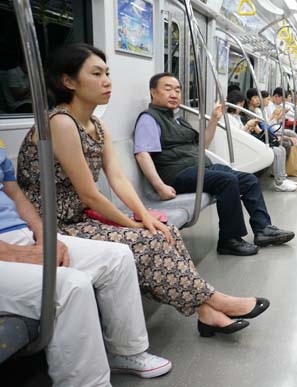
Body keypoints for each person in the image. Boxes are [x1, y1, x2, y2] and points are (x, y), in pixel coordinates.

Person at [17, 43, 269, 339]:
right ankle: (213, 301)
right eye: (96, 74)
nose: (107, 81)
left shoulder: (96, 125)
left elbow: (118, 179)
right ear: (68, 81)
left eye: (107, 73)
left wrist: (145, 216)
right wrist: (134, 223)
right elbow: (89, 193)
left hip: (79, 218)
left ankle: (207, 312)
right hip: (51, 225)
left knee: (165, 231)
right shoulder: (59, 123)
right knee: (148, 239)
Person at [0, 137, 171, 386]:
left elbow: (12, 192)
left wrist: (44, 236)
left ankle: (126, 352)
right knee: (71, 285)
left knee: (118, 257)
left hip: (19, 234)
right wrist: (15, 254)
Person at [134, 72, 295, 256]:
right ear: (153, 92)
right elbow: (143, 154)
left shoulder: (177, 119)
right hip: (176, 173)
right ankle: (229, 239)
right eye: (167, 89)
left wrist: (213, 121)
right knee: (226, 180)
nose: (174, 94)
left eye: (177, 90)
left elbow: (202, 146)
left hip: (200, 167)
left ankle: (263, 228)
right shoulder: (149, 119)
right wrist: (160, 186)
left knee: (248, 179)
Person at [227, 90, 296, 192]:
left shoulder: (238, 117)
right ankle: (280, 183)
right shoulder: (229, 118)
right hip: (243, 146)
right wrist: (248, 126)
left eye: (242, 105)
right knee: (278, 150)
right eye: (239, 105)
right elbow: (236, 137)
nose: (240, 108)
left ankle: (282, 178)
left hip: (249, 142)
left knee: (281, 149)